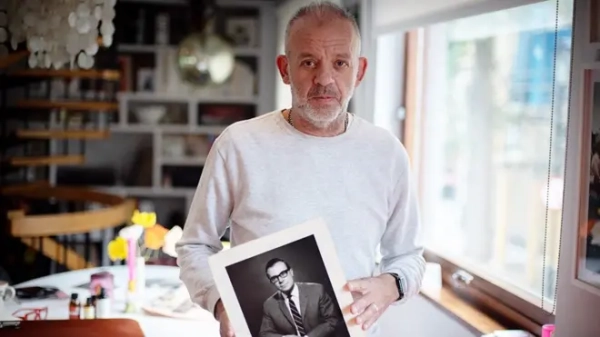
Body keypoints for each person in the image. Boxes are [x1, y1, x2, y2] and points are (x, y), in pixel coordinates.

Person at [175, 2, 426, 337]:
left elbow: (410, 257)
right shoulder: (238, 144)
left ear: (360, 71)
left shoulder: (387, 153)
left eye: (340, 63)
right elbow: (195, 246)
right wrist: (223, 303)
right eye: (308, 62)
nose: (324, 78)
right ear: (284, 68)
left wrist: (390, 285)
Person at [259, 258, 342, 337]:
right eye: (274, 278)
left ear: (291, 272)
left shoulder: (316, 290)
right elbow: (264, 334)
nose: (280, 280)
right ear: (271, 282)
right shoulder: (269, 305)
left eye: (283, 273)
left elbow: (332, 320)